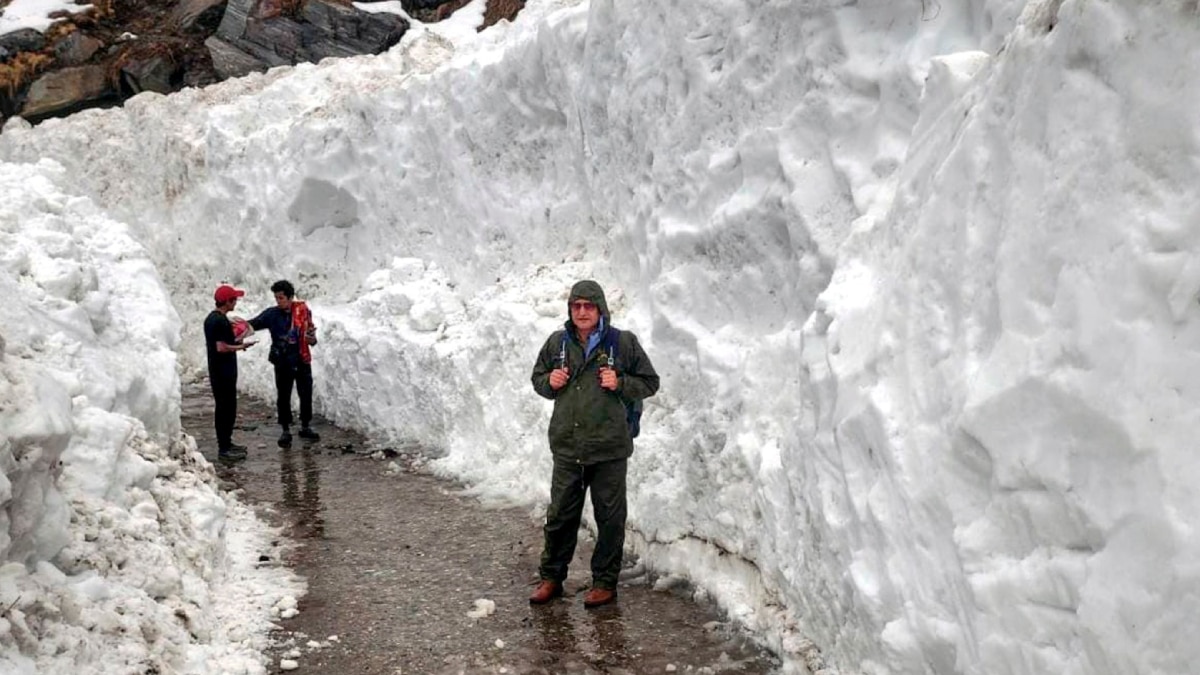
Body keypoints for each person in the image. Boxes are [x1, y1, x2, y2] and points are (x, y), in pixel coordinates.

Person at [528, 280, 659, 608]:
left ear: (600, 308)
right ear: (570, 310)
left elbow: (650, 382)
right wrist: (549, 382)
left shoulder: (622, 343)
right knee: (560, 516)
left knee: (610, 517)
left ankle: (604, 582)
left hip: (609, 449)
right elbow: (538, 378)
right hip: (568, 446)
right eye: (576, 306)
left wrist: (622, 382)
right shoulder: (558, 343)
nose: (582, 312)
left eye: (589, 306)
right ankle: (551, 578)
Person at [249, 279, 321, 448]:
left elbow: (312, 338)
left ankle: (305, 425)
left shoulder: (302, 312)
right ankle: (285, 429)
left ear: (290, 298)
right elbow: (253, 324)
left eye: (281, 298)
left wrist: (311, 339)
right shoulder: (272, 314)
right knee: (284, 395)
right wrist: (234, 327)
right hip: (282, 361)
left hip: (301, 359)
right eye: (276, 298)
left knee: (306, 393)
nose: (278, 301)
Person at [204, 284, 255, 462]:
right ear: (227, 301)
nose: (236, 302)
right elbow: (221, 347)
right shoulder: (217, 321)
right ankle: (223, 448)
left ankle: (227, 443)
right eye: (234, 299)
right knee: (225, 408)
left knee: (227, 407)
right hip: (222, 372)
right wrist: (241, 346)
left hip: (221, 371)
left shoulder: (216, 319)